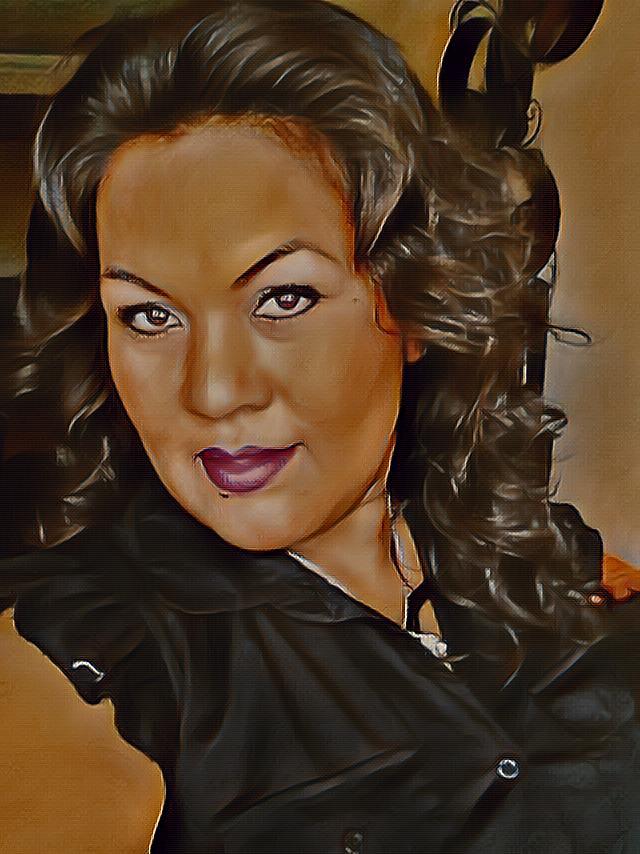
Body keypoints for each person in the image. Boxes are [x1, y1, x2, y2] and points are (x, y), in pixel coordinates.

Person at [1, 2, 639, 852]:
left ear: (414, 306)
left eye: (284, 297)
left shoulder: (530, 554)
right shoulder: (78, 674)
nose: (213, 392)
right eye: (149, 315)